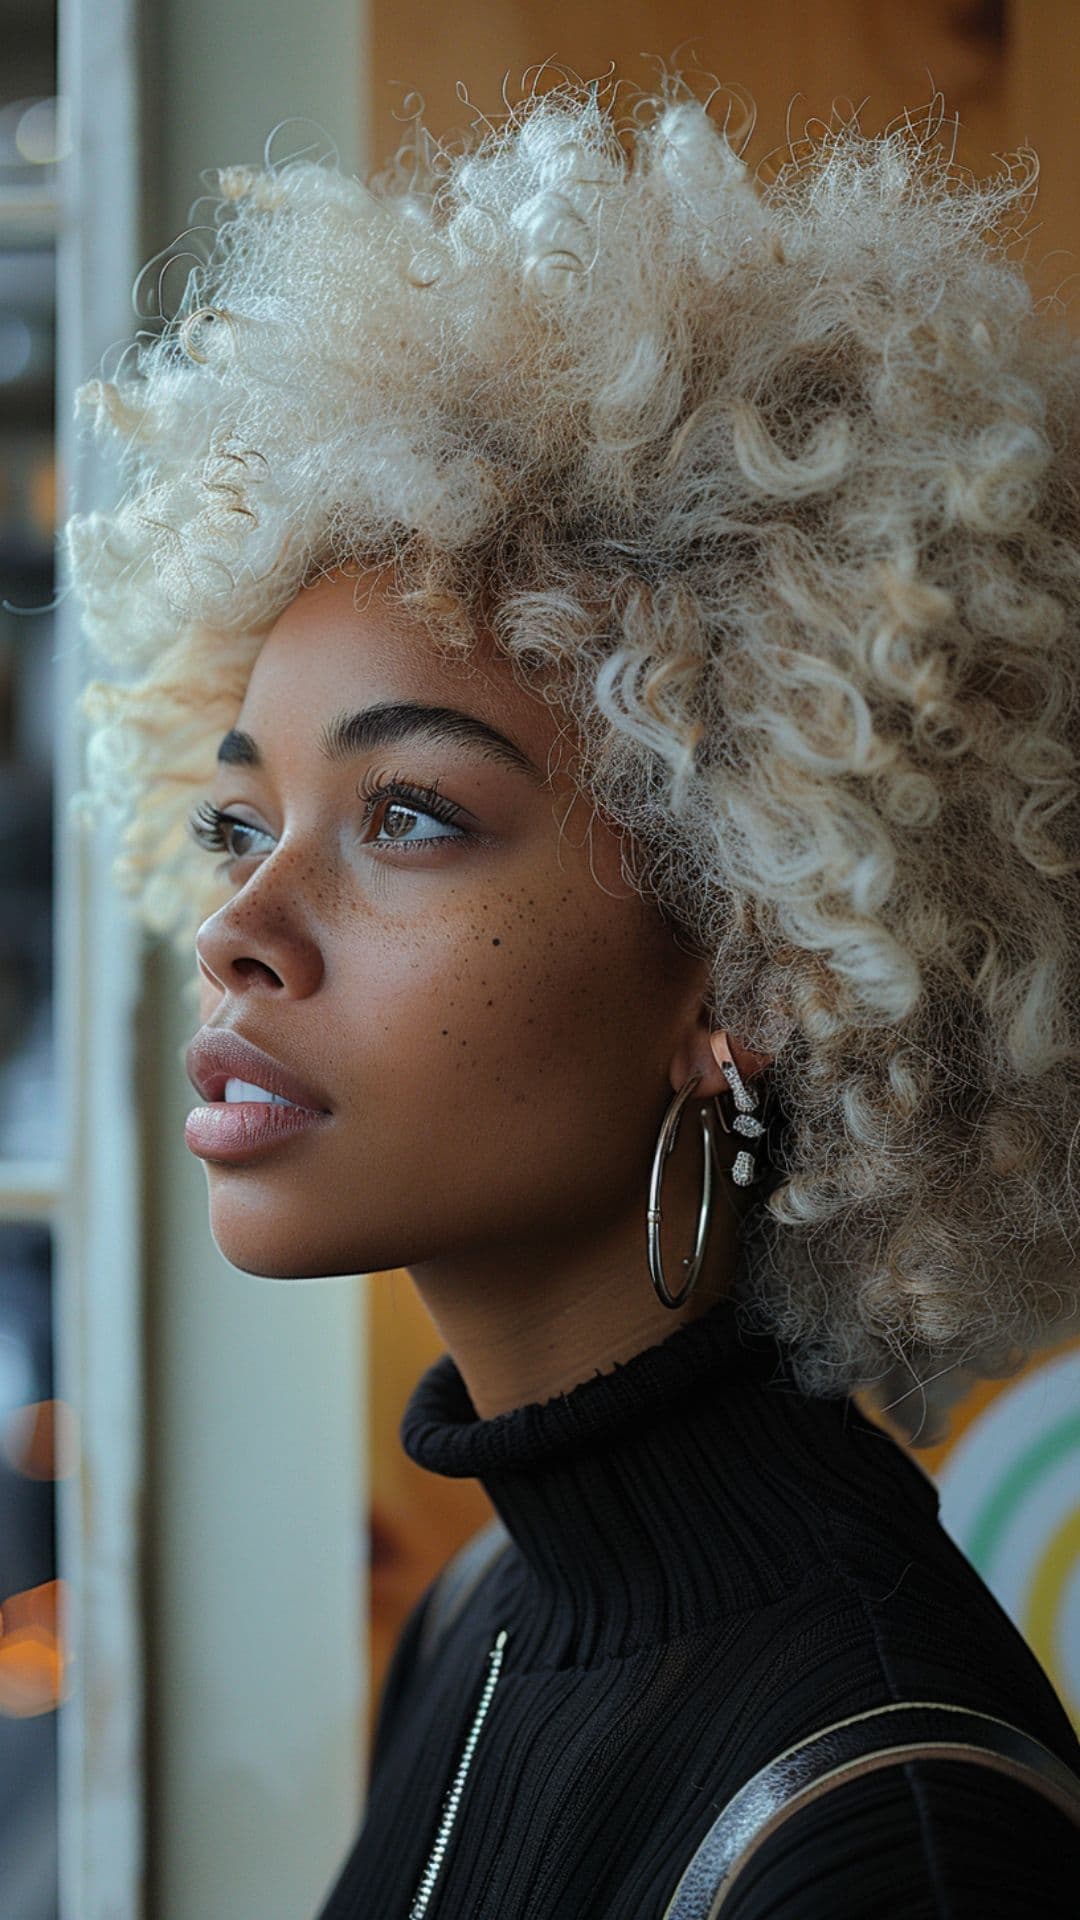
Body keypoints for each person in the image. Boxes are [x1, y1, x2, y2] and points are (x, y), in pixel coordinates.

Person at [62, 63, 1080, 1918]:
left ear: (754, 959)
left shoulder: (888, 1839)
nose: (244, 928)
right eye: (238, 823)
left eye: (413, 814)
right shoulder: (477, 1613)